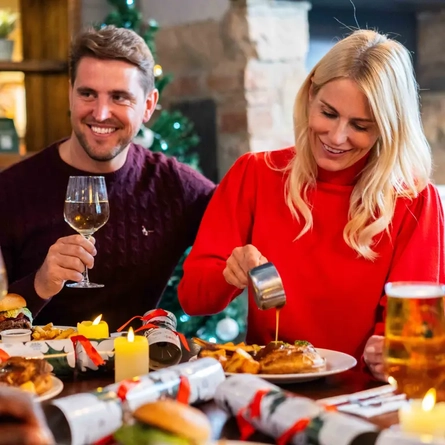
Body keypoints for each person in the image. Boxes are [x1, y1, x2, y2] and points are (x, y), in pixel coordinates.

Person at [178, 29, 445, 380]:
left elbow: (414, 332)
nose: (336, 137)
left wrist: (393, 350)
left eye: (360, 126)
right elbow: (193, 299)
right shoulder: (255, 174)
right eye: (328, 113)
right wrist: (229, 273)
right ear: (310, 96)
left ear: (387, 129)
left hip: (364, 400)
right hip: (269, 393)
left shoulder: (414, 200)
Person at [0, 26, 215, 331]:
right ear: (70, 95)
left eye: (119, 97)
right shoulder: (10, 191)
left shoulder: (175, 186)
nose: (100, 113)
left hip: (136, 374)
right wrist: (39, 284)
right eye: (87, 94)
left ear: (149, 106)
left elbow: (248, 219)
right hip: (35, 375)